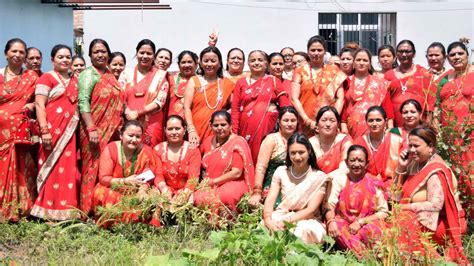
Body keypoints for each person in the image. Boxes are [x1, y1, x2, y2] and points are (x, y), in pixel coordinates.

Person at [394, 126, 468, 264]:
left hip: (443, 224)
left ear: (430, 147)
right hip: (424, 219)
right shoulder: (414, 164)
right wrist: (401, 167)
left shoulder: (436, 170)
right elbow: (395, 197)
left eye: (416, 145)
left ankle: (431, 261)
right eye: (410, 145)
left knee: (403, 220)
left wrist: (404, 208)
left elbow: (435, 205)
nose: (412, 150)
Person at [32, 44, 80, 221]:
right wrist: (44, 130)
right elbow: (39, 105)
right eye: (61, 57)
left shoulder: (76, 79)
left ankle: (66, 211)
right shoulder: (46, 78)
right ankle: (44, 210)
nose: (65, 60)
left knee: (68, 170)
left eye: (68, 57)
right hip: (51, 131)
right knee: (50, 168)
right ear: (52, 60)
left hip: (70, 134)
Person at [78, 39, 125, 215]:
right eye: (96, 51)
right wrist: (91, 129)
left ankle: (105, 209)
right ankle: (87, 211)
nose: (100, 54)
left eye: (103, 51)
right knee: (91, 168)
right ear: (89, 55)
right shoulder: (88, 74)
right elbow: (83, 102)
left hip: (113, 131)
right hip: (93, 131)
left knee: (108, 168)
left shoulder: (110, 74)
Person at [263, 133, 329, 244]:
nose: (297, 157)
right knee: (262, 229)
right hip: (282, 215)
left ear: (309, 151)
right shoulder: (281, 171)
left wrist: (287, 221)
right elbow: (270, 202)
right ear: (288, 153)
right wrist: (268, 220)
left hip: (307, 221)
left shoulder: (318, 177)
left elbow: (311, 210)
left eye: (301, 152)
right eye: (293, 153)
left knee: (300, 232)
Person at [93, 120, 161, 227]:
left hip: (137, 190)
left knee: (154, 194)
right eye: (130, 135)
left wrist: (142, 190)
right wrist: (125, 181)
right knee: (101, 192)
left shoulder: (146, 151)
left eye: (138, 137)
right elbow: (103, 179)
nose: (134, 140)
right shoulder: (111, 149)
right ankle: (113, 225)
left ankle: (141, 227)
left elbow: (148, 177)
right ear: (121, 135)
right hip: (114, 188)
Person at [0, 38, 39, 222]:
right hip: (1, 134)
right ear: (6, 54)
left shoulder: (31, 77)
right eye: (14, 51)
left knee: (23, 169)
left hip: (21, 132)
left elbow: (40, 100)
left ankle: (22, 209)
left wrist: (31, 104)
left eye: (21, 52)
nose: (17, 55)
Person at [325, 145, 388, 257]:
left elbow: (384, 212)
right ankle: (367, 257)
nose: (356, 164)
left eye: (360, 160)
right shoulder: (340, 179)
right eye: (352, 160)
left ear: (367, 163)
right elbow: (329, 204)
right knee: (338, 228)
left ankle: (368, 256)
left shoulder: (374, 182)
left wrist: (360, 222)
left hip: (366, 222)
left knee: (373, 230)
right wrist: (331, 222)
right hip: (344, 222)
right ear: (346, 162)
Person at [231, 50, 290, 163]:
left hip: (268, 129)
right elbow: (235, 109)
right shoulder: (241, 82)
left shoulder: (274, 81)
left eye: (260, 60)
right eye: (253, 60)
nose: (256, 63)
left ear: (266, 63)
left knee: (265, 158)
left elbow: (285, 108)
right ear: (248, 64)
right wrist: (234, 132)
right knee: (246, 159)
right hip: (245, 129)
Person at [437, 41, 473, 215]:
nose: (456, 57)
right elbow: (436, 105)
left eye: (460, 53)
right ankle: (459, 216)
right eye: (452, 55)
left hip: (470, 135)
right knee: (454, 176)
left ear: (467, 54)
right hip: (449, 138)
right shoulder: (444, 78)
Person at [193, 110, 255, 213]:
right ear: (210, 126)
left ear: (230, 126)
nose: (219, 128)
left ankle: (227, 226)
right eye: (216, 125)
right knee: (198, 197)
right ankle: (209, 226)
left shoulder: (237, 142)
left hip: (233, 182)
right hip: (210, 183)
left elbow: (236, 172)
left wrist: (213, 182)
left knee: (225, 197)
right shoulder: (208, 141)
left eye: (223, 125)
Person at [291, 35, 346, 136]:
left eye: (319, 50)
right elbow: (294, 98)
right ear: (308, 52)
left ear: (325, 52)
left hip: (329, 124)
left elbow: (340, 98)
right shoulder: (300, 71)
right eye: (313, 50)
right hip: (305, 123)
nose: (316, 53)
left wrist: (333, 119)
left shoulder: (335, 70)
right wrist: (307, 121)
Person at [183, 46, 234, 146]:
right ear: (201, 63)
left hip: (218, 131)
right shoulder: (194, 81)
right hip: (195, 131)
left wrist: (222, 117)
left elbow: (234, 107)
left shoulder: (226, 83)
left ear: (219, 63)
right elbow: (186, 107)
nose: (209, 64)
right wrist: (191, 130)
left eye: (213, 61)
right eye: (206, 61)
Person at [122, 39, 169, 147]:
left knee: (149, 155)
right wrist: (127, 111)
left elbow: (159, 101)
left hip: (152, 123)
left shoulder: (160, 76)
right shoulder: (126, 73)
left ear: (154, 56)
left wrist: (138, 113)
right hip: (129, 120)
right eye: (142, 52)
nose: (145, 56)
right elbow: (120, 96)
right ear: (136, 53)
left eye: (149, 53)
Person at [249, 106, 298, 206]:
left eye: (293, 120)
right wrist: (257, 193)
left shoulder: (300, 140)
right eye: (286, 120)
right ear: (279, 121)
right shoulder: (272, 139)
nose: (289, 124)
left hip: (295, 185)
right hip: (273, 186)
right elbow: (261, 167)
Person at [341, 48, 394, 139]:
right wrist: (343, 125)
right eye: (358, 60)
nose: (361, 63)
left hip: (375, 128)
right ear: (353, 63)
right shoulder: (346, 81)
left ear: (369, 65)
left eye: (365, 60)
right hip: (350, 131)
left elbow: (387, 106)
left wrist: (390, 126)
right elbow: (344, 105)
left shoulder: (380, 83)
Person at [384, 40, 436, 126]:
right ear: (396, 54)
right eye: (401, 52)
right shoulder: (388, 75)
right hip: (396, 125)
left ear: (414, 54)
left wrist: (428, 123)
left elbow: (431, 101)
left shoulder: (424, 74)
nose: (404, 54)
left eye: (407, 51)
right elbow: (386, 102)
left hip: (420, 125)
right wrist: (390, 125)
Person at [354, 106, 404, 192]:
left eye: (378, 120)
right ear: (366, 122)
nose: (374, 124)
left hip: (393, 186)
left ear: (385, 121)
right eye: (371, 120)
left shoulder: (397, 141)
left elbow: (403, 169)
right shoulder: (359, 142)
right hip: (365, 186)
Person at [154, 115, 201, 203]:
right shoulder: (158, 149)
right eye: (170, 129)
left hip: (186, 192)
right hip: (165, 190)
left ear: (184, 130)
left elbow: (193, 178)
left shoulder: (193, 150)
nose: (174, 132)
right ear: (165, 130)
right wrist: (164, 190)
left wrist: (184, 195)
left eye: (177, 128)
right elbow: (158, 175)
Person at [309, 106, 352, 177]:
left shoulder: (344, 141)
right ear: (317, 124)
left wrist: (327, 178)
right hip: (315, 183)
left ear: (338, 124)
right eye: (324, 120)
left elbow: (345, 168)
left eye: (332, 121)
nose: (328, 124)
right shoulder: (310, 143)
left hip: (338, 182)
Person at [167, 50, 198, 118]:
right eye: (183, 62)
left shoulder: (201, 81)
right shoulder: (170, 79)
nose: (186, 65)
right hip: (173, 123)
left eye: (189, 62)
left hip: (193, 122)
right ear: (178, 65)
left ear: (196, 64)